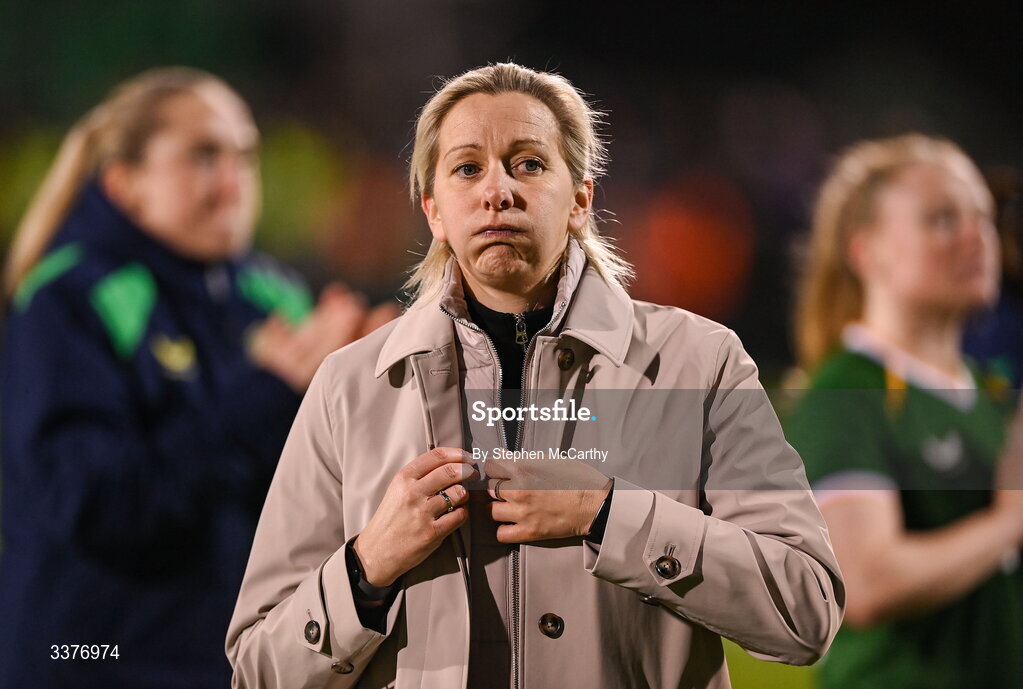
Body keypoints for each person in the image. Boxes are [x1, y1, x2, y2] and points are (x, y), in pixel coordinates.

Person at [227, 62, 843, 689]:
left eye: (528, 164)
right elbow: (256, 671)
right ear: (435, 211)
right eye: (468, 168)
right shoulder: (348, 386)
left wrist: (607, 515)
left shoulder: (702, 362)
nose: (498, 191)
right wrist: (366, 567)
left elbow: (806, 611)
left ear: (580, 198)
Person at [0, 67, 392, 689]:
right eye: (204, 156)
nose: (235, 183)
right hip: (90, 662)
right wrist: (268, 392)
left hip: (227, 666)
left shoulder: (273, 295)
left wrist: (379, 393)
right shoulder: (69, 300)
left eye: (246, 156)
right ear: (126, 183)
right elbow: (102, 508)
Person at [787, 134, 1023, 688]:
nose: (977, 237)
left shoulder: (993, 394)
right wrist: (1010, 521)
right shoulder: (847, 392)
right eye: (942, 219)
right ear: (866, 250)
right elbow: (865, 583)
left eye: (984, 218)